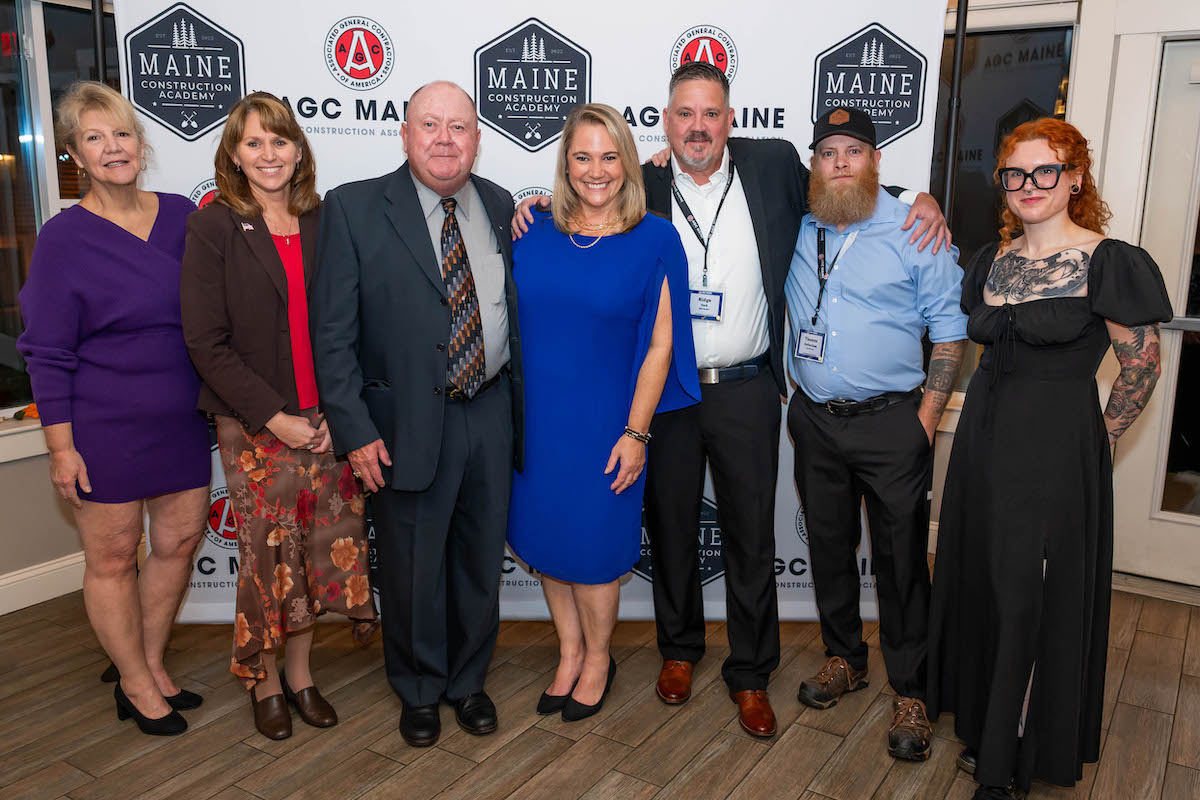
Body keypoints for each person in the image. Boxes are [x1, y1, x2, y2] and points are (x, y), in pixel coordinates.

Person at [514, 62, 951, 737]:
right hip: (668, 392)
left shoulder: (772, 167)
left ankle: (750, 672)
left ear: (731, 121)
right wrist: (531, 208)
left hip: (746, 386)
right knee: (671, 529)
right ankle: (679, 650)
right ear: (666, 123)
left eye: (711, 114)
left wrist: (918, 198)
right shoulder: (641, 184)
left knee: (751, 536)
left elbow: (842, 181)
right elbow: (582, 210)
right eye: (685, 114)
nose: (698, 127)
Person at [926, 118, 1172, 799]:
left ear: (1075, 179)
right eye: (1015, 173)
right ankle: (989, 724)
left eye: (1045, 171)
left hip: (1056, 448)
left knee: (1028, 596)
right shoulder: (990, 260)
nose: (1029, 184)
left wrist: (1098, 440)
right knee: (986, 583)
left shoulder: (1108, 260)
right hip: (983, 443)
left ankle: (1012, 754)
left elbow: (1142, 367)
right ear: (1002, 182)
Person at [310, 81, 522, 749]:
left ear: (477, 139)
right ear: (404, 134)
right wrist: (355, 430)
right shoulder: (353, 208)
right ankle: (420, 688)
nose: (444, 139)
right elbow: (331, 336)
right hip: (400, 425)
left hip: (489, 411)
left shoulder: (500, 205)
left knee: (478, 562)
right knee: (410, 569)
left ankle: (468, 681)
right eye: (430, 125)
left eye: (459, 127)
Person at [181, 92, 377, 741]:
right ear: (235, 155)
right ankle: (262, 681)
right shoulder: (215, 225)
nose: (269, 154)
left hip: (328, 420)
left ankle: (300, 675)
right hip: (255, 425)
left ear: (299, 150)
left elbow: (353, 321)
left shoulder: (325, 219)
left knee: (321, 551)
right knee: (269, 555)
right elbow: (205, 342)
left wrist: (339, 412)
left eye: (280, 140)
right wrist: (274, 416)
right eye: (254, 142)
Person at [17, 80, 210, 736]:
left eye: (122, 133)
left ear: (140, 144)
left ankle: (149, 661)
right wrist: (60, 447)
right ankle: (133, 681)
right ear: (74, 155)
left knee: (178, 542)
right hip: (102, 425)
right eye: (94, 138)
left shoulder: (183, 216)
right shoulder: (63, 239)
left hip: (181, 418)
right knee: (115, 553)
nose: (112, 147)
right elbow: (46, 351)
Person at [785, 106, 967, 761]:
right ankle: (845, 658)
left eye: (854, 150)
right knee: (829, 549)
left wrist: (925, 422)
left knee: (900, 562)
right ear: (814, 164)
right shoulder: (799, 223)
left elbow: (949, 329)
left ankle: (912, 690)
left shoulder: (915, 228)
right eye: (828, 152)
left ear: (876, 161)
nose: (840, 162)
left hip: (894, 423)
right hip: (815, 420)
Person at [507, 104, 700, 722]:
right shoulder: (532, 230)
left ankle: (598, 659)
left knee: (593, 554)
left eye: (609, 156)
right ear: (565, 164)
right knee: (547, 543)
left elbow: (661, 346)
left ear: (628, 163)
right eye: (582, 157)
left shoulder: (656, 239)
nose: (596, 170)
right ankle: (568, 653)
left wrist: (636, 432)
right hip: (536, 425)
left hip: (607, 427)